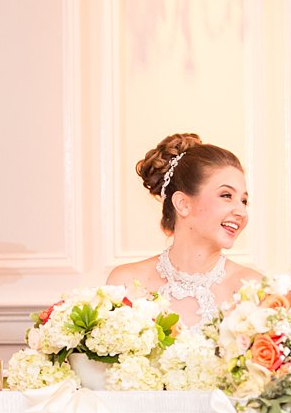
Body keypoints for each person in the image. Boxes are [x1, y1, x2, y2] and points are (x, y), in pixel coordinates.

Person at [107, 133, 261, 326]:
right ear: (182, 204)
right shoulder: (126, 283)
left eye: (244, 201)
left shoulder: (252, 289)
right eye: (226, 195)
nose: (241, 211)